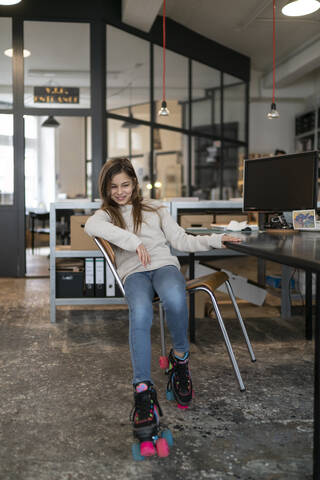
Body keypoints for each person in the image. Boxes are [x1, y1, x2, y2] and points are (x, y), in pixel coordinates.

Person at [84, 157, 241, 447]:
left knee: (174, 298)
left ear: (135, 183)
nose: (120, 192)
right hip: (134, 274)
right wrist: (134, 243)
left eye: (126, 185)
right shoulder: (105, 215)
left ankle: (179, 360)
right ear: (106, 189)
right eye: (114, 187)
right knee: (141, 313)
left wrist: (217, 241)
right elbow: (90, 226)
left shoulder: (156, 208)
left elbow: (182, 241)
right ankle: (143, 391)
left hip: (163, 267)